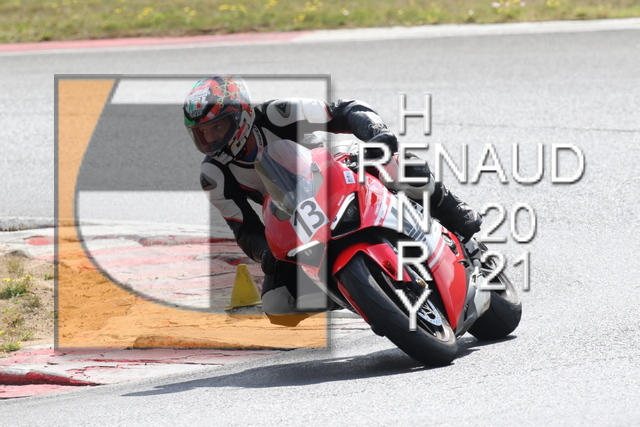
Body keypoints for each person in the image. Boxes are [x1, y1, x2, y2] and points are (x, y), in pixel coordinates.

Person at [184, 75, 482, 325]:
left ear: (242, 114)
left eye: (218, 127)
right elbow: (244, 229)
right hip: (296, 216)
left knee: (396, 167)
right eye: (202, 134)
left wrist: (376, 134)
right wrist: (265, 253)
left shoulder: (278, 113)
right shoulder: (214, 175)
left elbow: (346, 110)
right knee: (277, 304)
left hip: (340, 166)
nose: (211, 139)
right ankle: (354, 292)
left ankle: (457, 217)